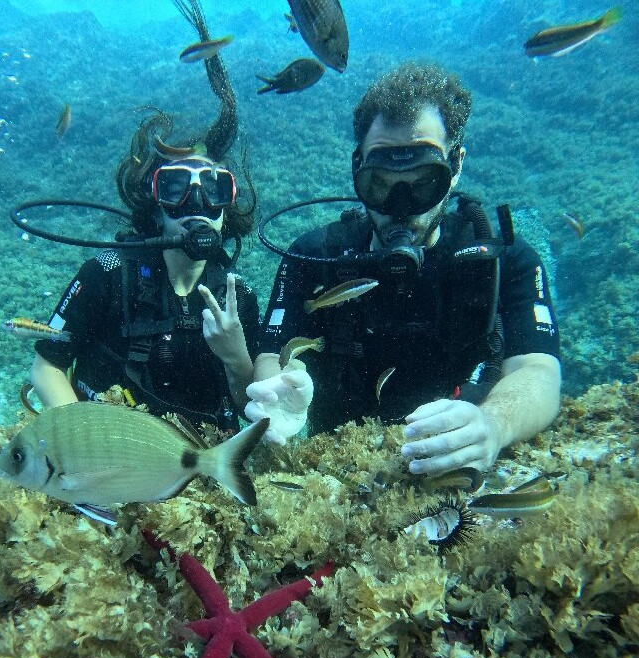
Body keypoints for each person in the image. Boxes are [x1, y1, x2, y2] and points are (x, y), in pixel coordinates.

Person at [246, 61, 561, 476]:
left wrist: (495, 423)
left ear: (456, 165)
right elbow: (273, 350)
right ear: (357, 168)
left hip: (454, 469)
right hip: (336, 475)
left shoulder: (505, 261)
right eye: (381, 183)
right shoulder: (313, 257)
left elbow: (538, 369)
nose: (401, 207)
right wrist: (275, 392)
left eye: (423, 183)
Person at [30, 3, 259, 432]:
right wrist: (88, 447)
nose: (196, 207)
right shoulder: (106, 273)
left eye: (213, 191)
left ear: (228, 207)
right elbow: (46, 366)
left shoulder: (237, 297)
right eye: (175, 189)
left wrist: (236, 356)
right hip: (114, 461)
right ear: (153, 204)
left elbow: (250, 407)